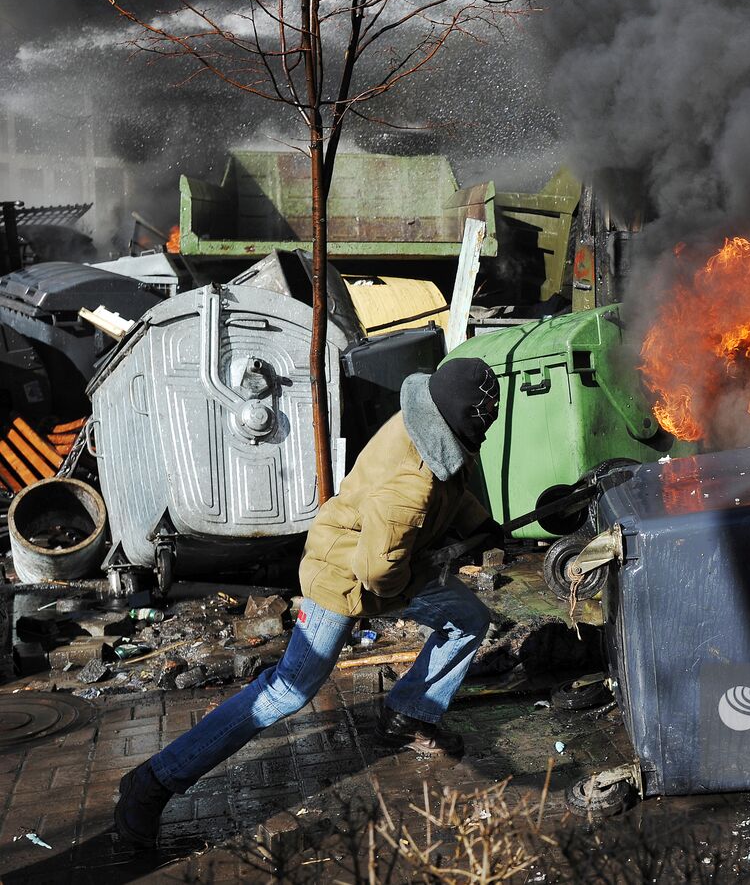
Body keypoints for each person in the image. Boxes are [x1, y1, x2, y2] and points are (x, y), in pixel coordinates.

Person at [114, 358, 504, 848]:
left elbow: (448, 492)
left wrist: (477, 525)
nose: (487, 426)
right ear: (463, 417)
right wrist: (422, 577)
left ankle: (409, 712)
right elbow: (381, 574)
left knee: (467, 616)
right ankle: (152, 783)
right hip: (342, 577)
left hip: (384, 562)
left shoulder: (430, 424)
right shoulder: (414, 479)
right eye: (484, 418)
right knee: (287, 692)